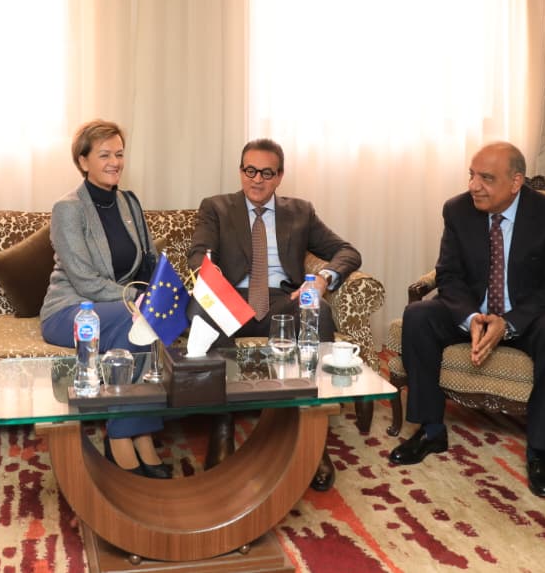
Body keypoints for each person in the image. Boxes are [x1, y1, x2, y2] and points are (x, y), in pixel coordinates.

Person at [391, 142, 545, 499]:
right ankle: (431, 430)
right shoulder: (457, 210)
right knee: (418, 315)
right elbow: (449, 275)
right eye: (471, 175)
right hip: (475, 311)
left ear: (516, 182)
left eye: (486, 178)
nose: (474, 186)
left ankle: (539, 449)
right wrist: (470, 317)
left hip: (530, 317)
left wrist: (508, 322)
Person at [187, 137, 362, 492]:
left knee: (318, 312)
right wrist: (210, 272)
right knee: (204, 310)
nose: (257, 179)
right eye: (250, 170)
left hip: (282, 301)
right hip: (231, 299)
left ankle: (313, 436)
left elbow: (346, 251)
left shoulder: (300, 211)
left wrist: (323, 280)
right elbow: (198, 254)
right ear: (240, 171)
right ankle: (222, 428)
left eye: (267, 173)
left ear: (280, 176)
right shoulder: (216, 207)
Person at [39, 120, 172, 478]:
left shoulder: (129, 202)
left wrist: (162, 294)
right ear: (83, 161)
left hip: (119, 308)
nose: (115, 162)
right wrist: (137, 299)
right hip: (71, 309)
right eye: (104, 155)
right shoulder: (68, 208)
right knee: (136, 320)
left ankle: (140, 434)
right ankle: (123, 438)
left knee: (146, 321)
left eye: (119, 154)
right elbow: (84, 281)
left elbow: (147, 261)